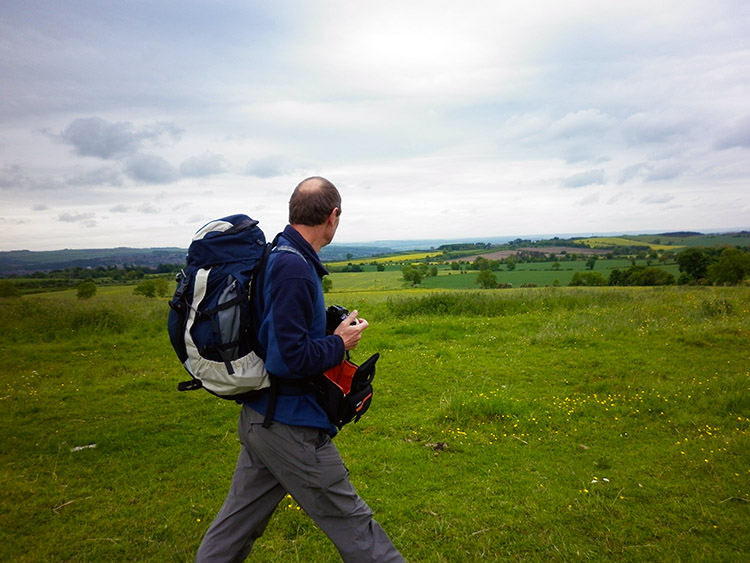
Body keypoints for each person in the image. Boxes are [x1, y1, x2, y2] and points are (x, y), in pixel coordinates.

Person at [196, 177, 405, 562]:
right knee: (356, 526)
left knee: (233, 530)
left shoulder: (279, 255)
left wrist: (324, 330)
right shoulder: (293, 268)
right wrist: (340, 342)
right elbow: (286, 359)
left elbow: (275, 336)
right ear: (333, 215)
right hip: (290, 427)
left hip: (263, 418)